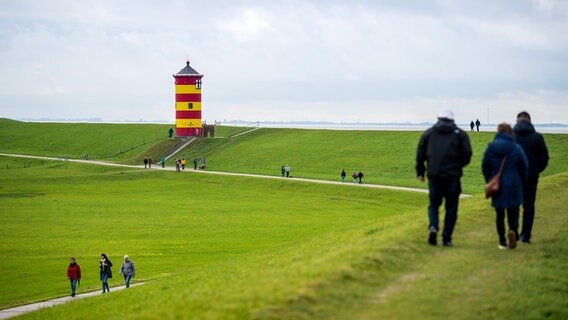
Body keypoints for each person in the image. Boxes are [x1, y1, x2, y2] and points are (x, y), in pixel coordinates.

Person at [416, 110, 472, 246]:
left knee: (434, 204)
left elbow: (420, 154)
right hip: (452, 175)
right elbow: (467, 154)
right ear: (452, 120)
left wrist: (420, 172)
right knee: (451, 206)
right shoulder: (460, 134)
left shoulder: (428, 133)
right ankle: (446, 238)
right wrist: (458, 166)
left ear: (438, 118)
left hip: (434, 174)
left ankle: (433, 226)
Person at [482, 123, 528, 249]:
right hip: (513, 183)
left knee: (499, 214)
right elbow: (524, 166)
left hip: (498, 185)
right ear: (510, 132)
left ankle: (502, 241)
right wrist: (521, 180)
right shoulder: (516, 147)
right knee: (514, 211)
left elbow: (485, 166)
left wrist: (490, 179)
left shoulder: (491, 147)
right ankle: (512, 230)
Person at [513, 111, 549, 244]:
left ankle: (514, 230)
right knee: (529, 206)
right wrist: (536, 170)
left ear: (517, 121)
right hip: (532, 176)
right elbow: (544, 158)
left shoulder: (511, 136)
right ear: (529, 121)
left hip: (515, 176)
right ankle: (526, 235)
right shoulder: (537, 137)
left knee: (514, 205)